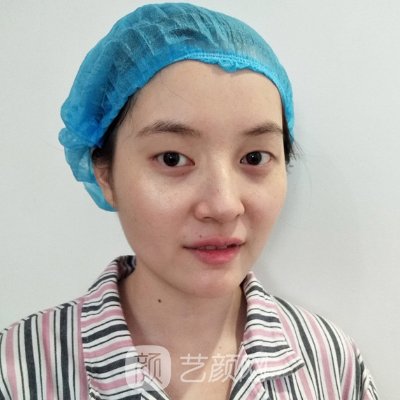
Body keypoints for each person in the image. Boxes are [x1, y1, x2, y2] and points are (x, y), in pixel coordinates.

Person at [0, 3, 379, 399]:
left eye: (254, 157)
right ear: (105, 173)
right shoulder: (18, 372)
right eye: (172, 158)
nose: (224, 205)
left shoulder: (331, 366)